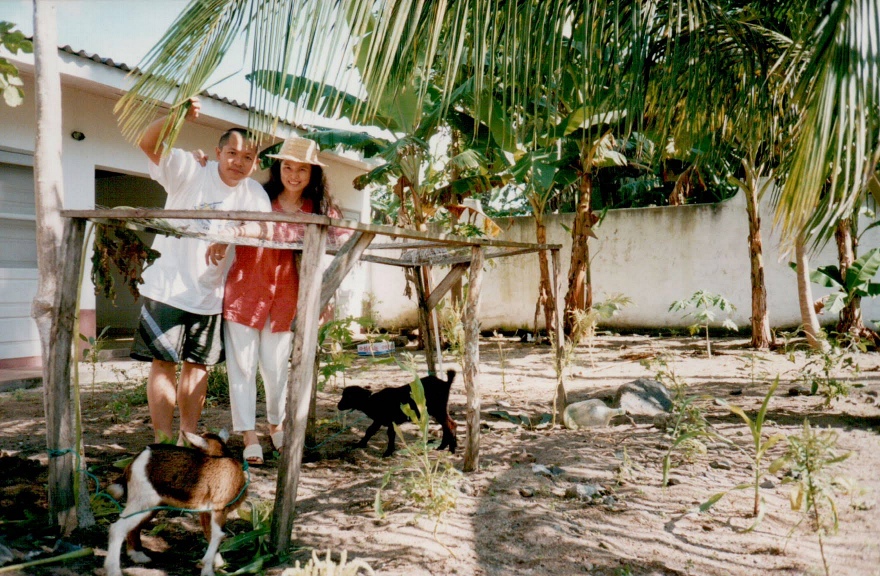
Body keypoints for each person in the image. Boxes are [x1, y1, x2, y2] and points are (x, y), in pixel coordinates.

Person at [130, 97, 272, 444]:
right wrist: (175, 116)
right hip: (166, 287)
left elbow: (265, 228)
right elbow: (147, 144)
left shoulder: (252, 192)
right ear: (218, 152)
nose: (239, 162)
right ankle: (162, 442)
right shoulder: (192, 169)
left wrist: (233, 233)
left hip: (209, 294)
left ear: (255, 163)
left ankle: (187, 438)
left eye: (248, 157)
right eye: (233, 153)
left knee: (198, 367)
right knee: (163, 364)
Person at [213, 136, 348, 465]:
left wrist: (325, 295)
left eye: (303, 169)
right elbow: (237, 222)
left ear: (313, 173)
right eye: (288, 166)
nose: (295, 175)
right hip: (245, 292)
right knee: (242, 369)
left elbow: (342, 245)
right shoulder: (256, 195)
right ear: (278, 168)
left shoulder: (320, 209)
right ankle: (248, 435)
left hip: (287, 299)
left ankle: (276, 426)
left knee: (276, 371)